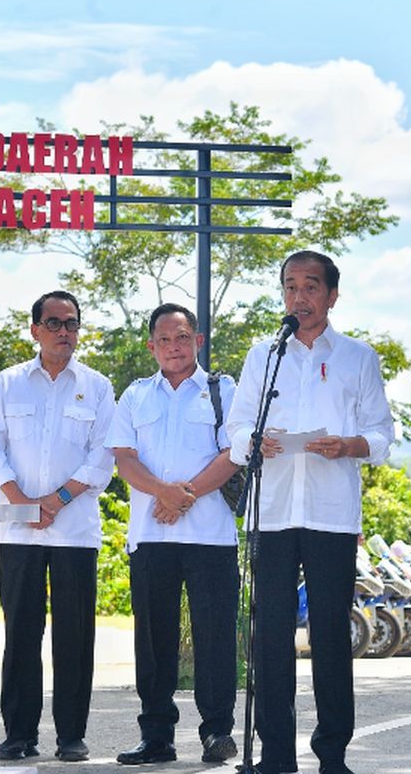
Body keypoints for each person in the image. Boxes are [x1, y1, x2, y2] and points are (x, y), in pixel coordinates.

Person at [226, 250, 394, 774]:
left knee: (328, 635)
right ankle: (275, 754)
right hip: (272, 514)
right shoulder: (263, 355)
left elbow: (384, 436)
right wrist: (255, 441)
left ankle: (333, 754)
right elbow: (233, 435)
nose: (300, 297)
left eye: (311, 287)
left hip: (330, 515)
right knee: (270, 636)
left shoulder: (357, 357)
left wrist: (349, 445)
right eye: (291, 286)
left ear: (332, 295)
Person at [0, 290, 115, 763]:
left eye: (72, 323)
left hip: (74, 530)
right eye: (54, 323)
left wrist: (54, 502)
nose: (64, 332)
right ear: (35, 329)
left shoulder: (97, 386)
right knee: (20, 632)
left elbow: (103, 456)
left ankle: (71, 736)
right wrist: (22, 503)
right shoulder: (9, 382)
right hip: (18, 530)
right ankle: (19, 734)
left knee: (74, 635)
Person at [108, 303, 241, 766]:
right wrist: (164, 492)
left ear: (198, 341)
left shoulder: (223, 390)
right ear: (151, 346)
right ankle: (156, 736)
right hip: (151, 536)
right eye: (164, 339)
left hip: (210, 537)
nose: (173, 347)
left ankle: (217, 732)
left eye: (182, 337)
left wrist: (184, 496)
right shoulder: (135, 396)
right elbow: (123, 460)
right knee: (154, 640)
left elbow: (233, 454)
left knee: (215, 637)